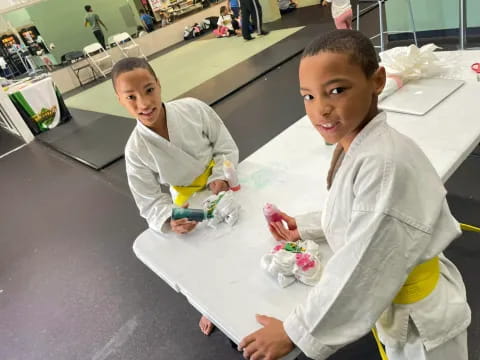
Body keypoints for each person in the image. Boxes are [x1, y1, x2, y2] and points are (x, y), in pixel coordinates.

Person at [239, 30, 470, 360]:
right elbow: (360, 214)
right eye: (309, 97)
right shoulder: (358, 144)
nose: (321, 110)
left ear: (377, 80)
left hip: (424, 328)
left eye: (336, 90)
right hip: (403, 308)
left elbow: (361, 266)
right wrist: (306, 227)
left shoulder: (383, 162)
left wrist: (296, 331)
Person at [112, 57, 239, 336]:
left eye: (148, 90)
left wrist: (221, 174)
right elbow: (148, 201)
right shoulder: (135, 150)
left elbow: (224, 145)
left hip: (221, 183)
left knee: (241, 234)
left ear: (158, 85)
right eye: (131, 97)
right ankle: (212, 305)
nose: (144, 104)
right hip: (185, 200)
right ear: (119, 100)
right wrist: (170, 217)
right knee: (203, 255)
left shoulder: (194, 109)